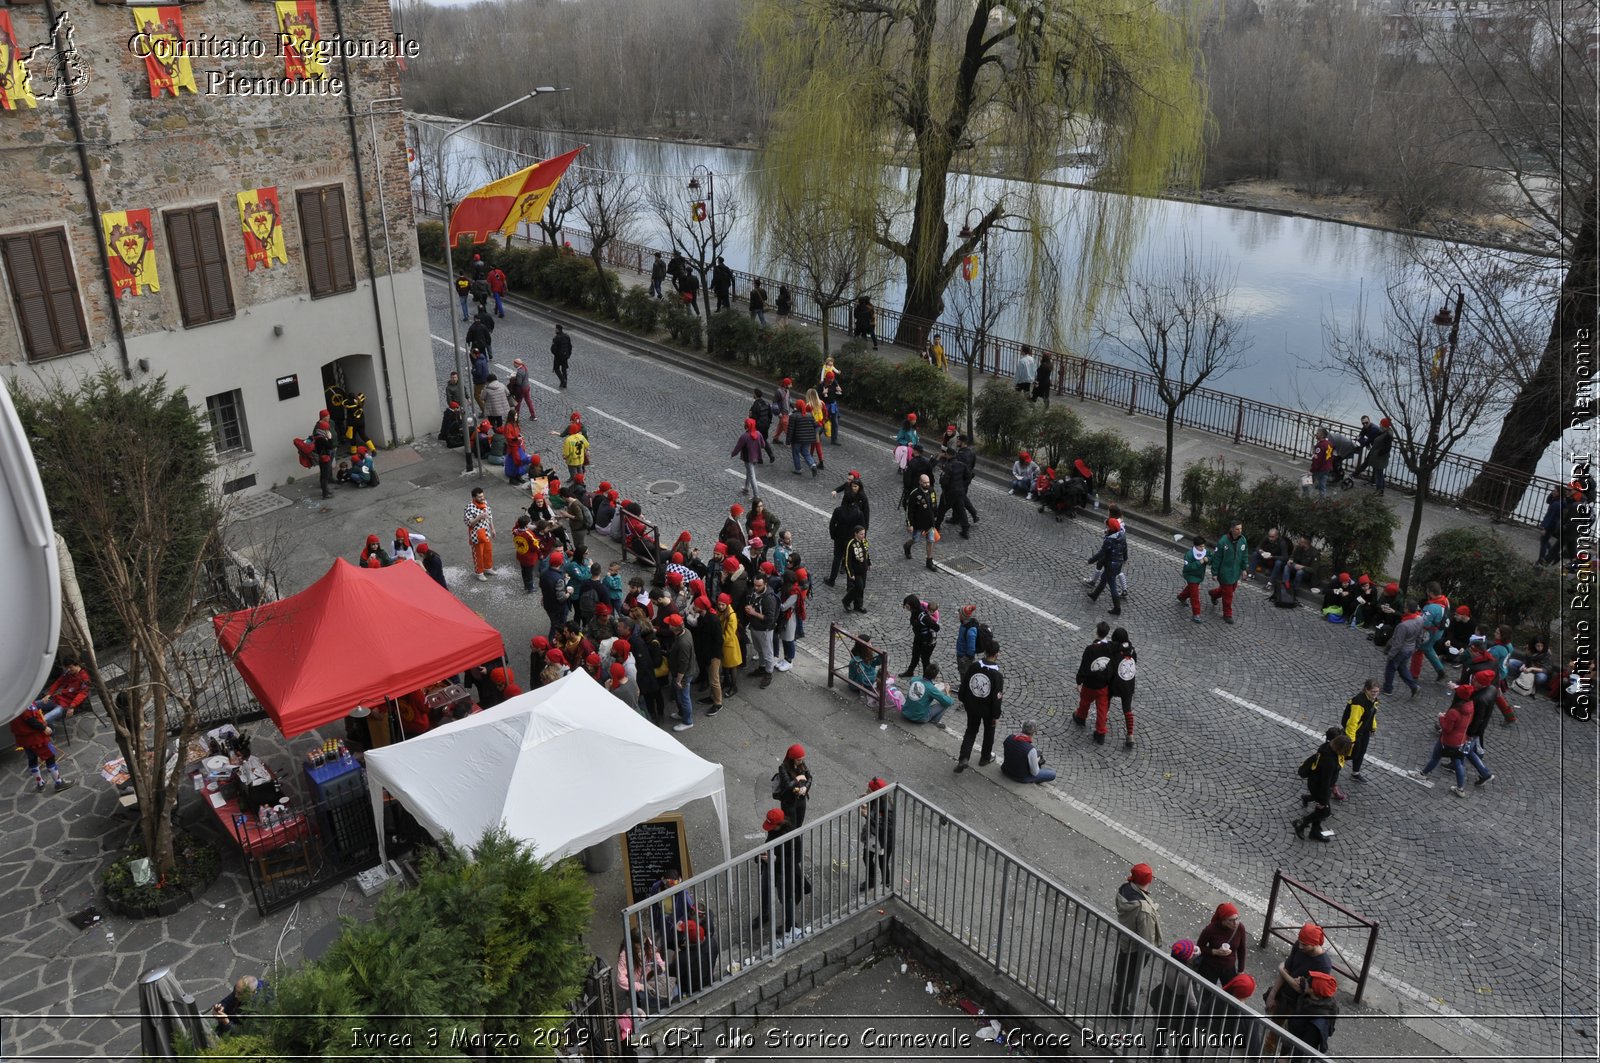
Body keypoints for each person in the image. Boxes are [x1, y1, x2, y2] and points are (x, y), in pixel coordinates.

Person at [1263, 923, 1334, 1054]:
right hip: (1285, 998)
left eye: (1304, 944)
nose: (1300, 946)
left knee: (1289, 1039)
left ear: (1315, 943)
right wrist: (1273, 994)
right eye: (1300, 943)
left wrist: (1281, 970)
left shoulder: (1323, 965)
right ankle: (1266, 1055)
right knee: (1274, 1031)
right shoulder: (1300, 945)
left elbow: (1301, 988)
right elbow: (1288, 968)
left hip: (1299, 1006)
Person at [1111, 863, 1162, 1016]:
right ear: (1149, 880)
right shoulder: (1143, 909)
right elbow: (1146, 938)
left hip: (1126, 939)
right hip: (1136, 948)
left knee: (1123, 967)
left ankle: (1120, 984)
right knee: (1130, 977)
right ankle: (1119, 1008)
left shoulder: (1124, 889)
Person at [1292, 733, 1352, 842]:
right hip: (1318, 786)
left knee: (1320, 809)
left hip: (1316, 783)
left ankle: (1315, 831)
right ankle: (1301, 823)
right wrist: (1323, 801)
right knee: (1325, 811)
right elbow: (1325, 782)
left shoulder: (1328, 748)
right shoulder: (1330, 762)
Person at [954, 642, 1003, 772]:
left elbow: (964, 684)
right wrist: (995, 715)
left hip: (972, 706)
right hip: (987, 710)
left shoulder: (974, 666)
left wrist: (963, 699)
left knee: (970, 731)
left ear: (985, 652)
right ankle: (985, 757)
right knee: (989, 732)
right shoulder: (997, 676)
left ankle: (963, 758)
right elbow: (997, 698)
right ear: (997, 654)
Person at [753, 808, 802, 938]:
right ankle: (764, 915)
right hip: (769, 866)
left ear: (780, 824)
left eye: (771, 826)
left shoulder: (793, 835)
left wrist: (776, 859)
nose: (769, 829)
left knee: (786, 898)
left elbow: (797, 858)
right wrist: (762, 855)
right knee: (765, 891)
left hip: (784, 871)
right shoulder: (774, 830)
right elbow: (769, 843)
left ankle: (790, 924)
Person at [9, 702, 72, 792]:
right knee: (50, 756)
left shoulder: (10, 704)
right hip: (37, 738)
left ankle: (40, 784)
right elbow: (30, 719)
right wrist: (44, 728)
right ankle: (59, 783)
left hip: (24, 739)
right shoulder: (23, 702)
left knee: (32, 759)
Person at [1072, 621, 1116, 743]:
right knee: (1102, 707)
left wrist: (1079, 681)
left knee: (1085, 701)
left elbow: (1084, 666)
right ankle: (1100, 732)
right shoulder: (1111, 647)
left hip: (1090, 683)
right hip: (1103, 684)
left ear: (1096, 632)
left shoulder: (1090, 649)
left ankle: (1080, 717)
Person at [1194, 903, 1247, 985]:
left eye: (1237, 918)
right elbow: (1199, 947)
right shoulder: (1210, 929)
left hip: (1229, 967)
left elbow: (1242, 949)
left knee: (1229, 994)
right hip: (1211, 966)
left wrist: (1241, 970)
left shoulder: (1240, 928)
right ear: (1223, 919)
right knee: (1206, 993)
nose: (1235, 923)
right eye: (1231, 920)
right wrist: (1215, 951)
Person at [1381, 603, 1426, 697]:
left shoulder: (1403, 625)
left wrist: (1390, 654)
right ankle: (1414, 686)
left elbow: (1397, 643)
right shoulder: (1420, 619)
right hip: (1410, 649)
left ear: (1407, 609)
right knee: (1402, 668)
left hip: (1401, 650)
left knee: (1390, 668)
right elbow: (1420, 636)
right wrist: (1416, 647)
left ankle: (1387, 689)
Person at [1208, 521, 1248, 624]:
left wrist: (1244, 569)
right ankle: (1227, 614)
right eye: (1237, 529)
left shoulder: (1243, 540)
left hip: (1235, 572)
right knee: (1228, 595)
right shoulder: (1223, 542)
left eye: (1241, 529)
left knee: (1231, 589)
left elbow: (1244, 555)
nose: (1240, 531)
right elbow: (1217, 558)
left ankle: (1214, 594)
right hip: (1225, 573)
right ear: (1232, 529)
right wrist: (1214, 573)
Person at [1086, 518, 1128, 616]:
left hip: (1111, 564)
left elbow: (1101, 553)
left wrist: (1090, 561)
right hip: (1118, 563)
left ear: (1110, 528)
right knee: (1104, 578)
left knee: (1112, 584)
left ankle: (1117, 608)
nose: (1106, 527)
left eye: (1107, 526)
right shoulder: (1122, 535)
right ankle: (1095, 595)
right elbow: (1125, 548)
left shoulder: (1109, 540)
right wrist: (1125, 558)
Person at [859, 777, 894, 891]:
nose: (867, 791)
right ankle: (871, 881)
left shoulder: (887, 807)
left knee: (883, 864)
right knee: (866, 857)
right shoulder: (876, 799)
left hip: (883, 840)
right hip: (872, 835)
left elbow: (884, 827)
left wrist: (866, 815)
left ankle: (887, 886)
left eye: (869, 791)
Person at [1341, 680, 1380, 779]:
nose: (1375, 694)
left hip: (1364, 731)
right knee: (1350, 754)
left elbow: (1372, 715)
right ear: (1366, 690)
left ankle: (1356, 772)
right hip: (1355, 732)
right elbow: (1352, 723)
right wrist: (1351, 740)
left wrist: (1373, 727)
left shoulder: (1373, 700)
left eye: (1377, 692)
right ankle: (1334, 767)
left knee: (1361, 752)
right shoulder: (1359, 702)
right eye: (1373, 691)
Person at [903, 472, 939, 573]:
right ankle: (907, 545)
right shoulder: (914, 494)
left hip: (929, 522)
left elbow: (934, 503)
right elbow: (909, 510)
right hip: (918, 522)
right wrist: (909, 524)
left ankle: (929, 561)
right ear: (920, 482)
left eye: (928, 482)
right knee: (915, 539)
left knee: (930, 541)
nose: (927, 484)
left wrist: (935, 516)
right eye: (924, 483)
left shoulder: (932, 491)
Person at [898, 594, 939, 679]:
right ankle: (910, 671)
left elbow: (937, 627)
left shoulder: (924, 617)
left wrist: (924, 627)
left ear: (912, 605)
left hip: (927, 641)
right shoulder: (914, 611)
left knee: (925, 660)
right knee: (915, 655)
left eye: (907, 606)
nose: (906, 608)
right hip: (919, 637)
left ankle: (926, 677)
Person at [1110, 627, 1138, 747]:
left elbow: (1110, 666)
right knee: (1127, 709)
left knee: (1105, 701)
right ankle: (1130, 734)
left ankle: (1101, 725)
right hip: (1128, 684)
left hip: (1115, 683)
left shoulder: (1114, 651)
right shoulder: (1132, 650)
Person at [773, 744, 813, 827]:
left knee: (799, 827)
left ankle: (798, 840)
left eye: (802, 759)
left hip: (801, 799)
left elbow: (809, 778)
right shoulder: (783, 768)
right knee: (791, 828)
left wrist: (805, 787)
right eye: (798, 760)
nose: (801, 762)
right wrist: (798, 778)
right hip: (789, 802)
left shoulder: (801, 763)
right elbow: (788, 785)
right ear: (792, 758)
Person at [463, 487, 494, 581]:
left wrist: (493, 529)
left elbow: (489, 517)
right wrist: (479, 517)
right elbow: (468, 522)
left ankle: (488, 568)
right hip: (476, 534)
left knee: (488, 551)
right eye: (480, 497)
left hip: (486, 531)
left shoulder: (485, 502)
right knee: (478, 554)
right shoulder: (469, 508)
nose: (482, 498)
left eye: (483, 496)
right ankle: (479, 572)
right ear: (474, 497)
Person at [731, 418, 766, 500]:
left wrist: (733, 454)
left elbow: (738, 447)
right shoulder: (758, 434)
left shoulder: (744, 436)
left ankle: (756, 496)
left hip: (748, 458)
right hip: (756, 457)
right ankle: (746, 488)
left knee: (752, 475)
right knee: (749, 472)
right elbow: (763, 445)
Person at [1177, 537, 1207, 623]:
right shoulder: (1189, 555)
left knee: (1190, 588)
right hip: (1191, 577)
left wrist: (1208, 559)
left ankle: (1181, 597)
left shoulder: (1205, 552)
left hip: (1199, 576)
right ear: (1195, 546)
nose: (1202, 548)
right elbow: (1187, 568)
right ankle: (1196, 614)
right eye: (1200, 547)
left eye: (1203, 546)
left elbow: (1210, 557)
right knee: (1195, 595)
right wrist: (1199, 563)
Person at [842, 525, 870, 613]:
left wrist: (868, 563)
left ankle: (858, 605)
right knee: (859, 587)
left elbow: (866, 552)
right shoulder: (850, 544)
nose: (863, 536)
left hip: (863, 569)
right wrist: (851, 573)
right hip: (855, 571)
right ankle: (846, 600)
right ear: (855, 534)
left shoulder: (864, 541)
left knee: (862, 587)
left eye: (864, 534)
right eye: (861, 534)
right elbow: (847, 560)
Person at [1307, 428, 1334, 496]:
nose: (1316, 434)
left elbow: (1317, 460)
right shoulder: (1329, 444)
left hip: (1320, 469)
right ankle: (1322, 501)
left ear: (1322, 435)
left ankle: (1306, 499)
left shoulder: (1320, 446)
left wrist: (1311, 471)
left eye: (1318, 433)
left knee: (1308, 483)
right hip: (1327, 468)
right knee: (1322, 486)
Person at [550, 324, 572, 388]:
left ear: (558, 329)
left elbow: (553, 349)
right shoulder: (567, 336)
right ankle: (565, 383)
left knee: (556, 369)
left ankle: (563, 381)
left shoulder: (556, 338)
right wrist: (568, 354)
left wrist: (555, 354)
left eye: (556, 329)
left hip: (558, 357)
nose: (555, 330)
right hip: (565, 356)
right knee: (564, 369)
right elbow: (570, 347)